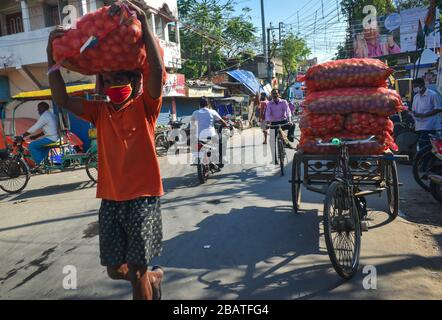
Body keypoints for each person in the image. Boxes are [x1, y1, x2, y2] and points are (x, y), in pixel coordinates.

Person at [46, 1, 165, 300]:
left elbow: (158, 71)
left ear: (135, 81)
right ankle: (154, 278)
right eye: (109, 79)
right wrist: (51, 54)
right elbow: (60, 98)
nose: (113, 83)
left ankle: (147, 277)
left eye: (121, 78)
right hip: (110, 200)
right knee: (116, 269)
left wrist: (146, 25)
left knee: (135, 270)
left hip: (142, 198)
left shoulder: (146, 107)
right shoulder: (99, 112)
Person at [191, 97, 229, 170]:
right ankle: (221, 160)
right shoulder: (212, 111)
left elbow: (192, 124)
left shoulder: (195, 113)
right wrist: (226, 125)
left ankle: (197, 157)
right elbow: (222, 121)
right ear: (208, 104)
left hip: (199, 136)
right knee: (222, 140)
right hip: (211, 135)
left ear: (199, 104)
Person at [20, 102, 59, 168]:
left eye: (39, 108)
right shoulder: (51, 114)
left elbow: (34, 127)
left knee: (32, 145)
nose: (38, 110)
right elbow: (49, 130)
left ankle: (39, 163)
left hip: (51, 139)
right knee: (41, 147)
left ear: (44, 108)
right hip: (55, 138)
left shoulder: (45, 116)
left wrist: (22, 136)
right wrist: (36, 136)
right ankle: (44, 162)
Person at [265, 89, 295, 164]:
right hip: (274, 123)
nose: (275, 95)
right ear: (271, 95)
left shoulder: (284, 102)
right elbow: (267, 113)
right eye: (273, 94)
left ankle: (288, 140)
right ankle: (274, 159)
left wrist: (290, 120)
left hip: (283, 121)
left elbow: (288, 111)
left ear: (279, 94)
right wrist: (268, 122)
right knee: (272, 141)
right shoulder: (269, 104)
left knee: (293, 125)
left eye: (276, 93)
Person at [411, 78, 442, 150]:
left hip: (430, 126)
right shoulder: (416, 97)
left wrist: (424, 115)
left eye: (416, 86)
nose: (414, 88)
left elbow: (438, 108)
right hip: (419, 126)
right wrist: (412, 113)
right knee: (422, 146)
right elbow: (414, 110)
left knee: (425, 145)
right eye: (413, 86)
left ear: (422, 85)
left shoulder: (433, 95)